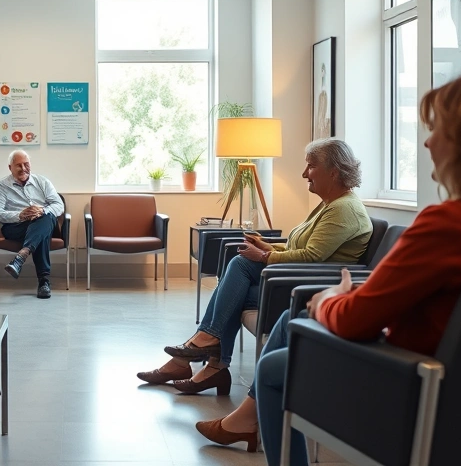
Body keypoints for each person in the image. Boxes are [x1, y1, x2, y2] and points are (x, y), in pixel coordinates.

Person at [202, 71, 461, 465]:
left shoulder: (448, 226)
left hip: (416, 393)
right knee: (286, 328)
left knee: (275, 368)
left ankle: (231, 390)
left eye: (438, 130)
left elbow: (354, 321)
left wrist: (329, 299)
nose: (428, 142)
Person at [137, 138, 372, 394]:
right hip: (293, 278)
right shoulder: (330, 205)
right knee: (238, 271)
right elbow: (301, 249)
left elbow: (312, 257)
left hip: (304, 288)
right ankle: (207, 354)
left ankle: (202, 353)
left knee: (236, 283)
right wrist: (266, 247)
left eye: (310, 166)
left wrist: (263, 257)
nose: (304, 173)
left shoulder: (344, 210)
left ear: (334, 172)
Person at [0, 149, 64, 299]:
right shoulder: (1, 186)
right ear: (10, 167)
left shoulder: (42, 182)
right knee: (42, 228)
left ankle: (21, 258)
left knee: (45, 217)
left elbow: (59, 205)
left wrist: (41, 211)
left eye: (26, 164)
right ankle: (44, 281)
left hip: (43, 223)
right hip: (16, 227)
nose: (23, 168)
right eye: (18, 165)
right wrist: (20, 215)